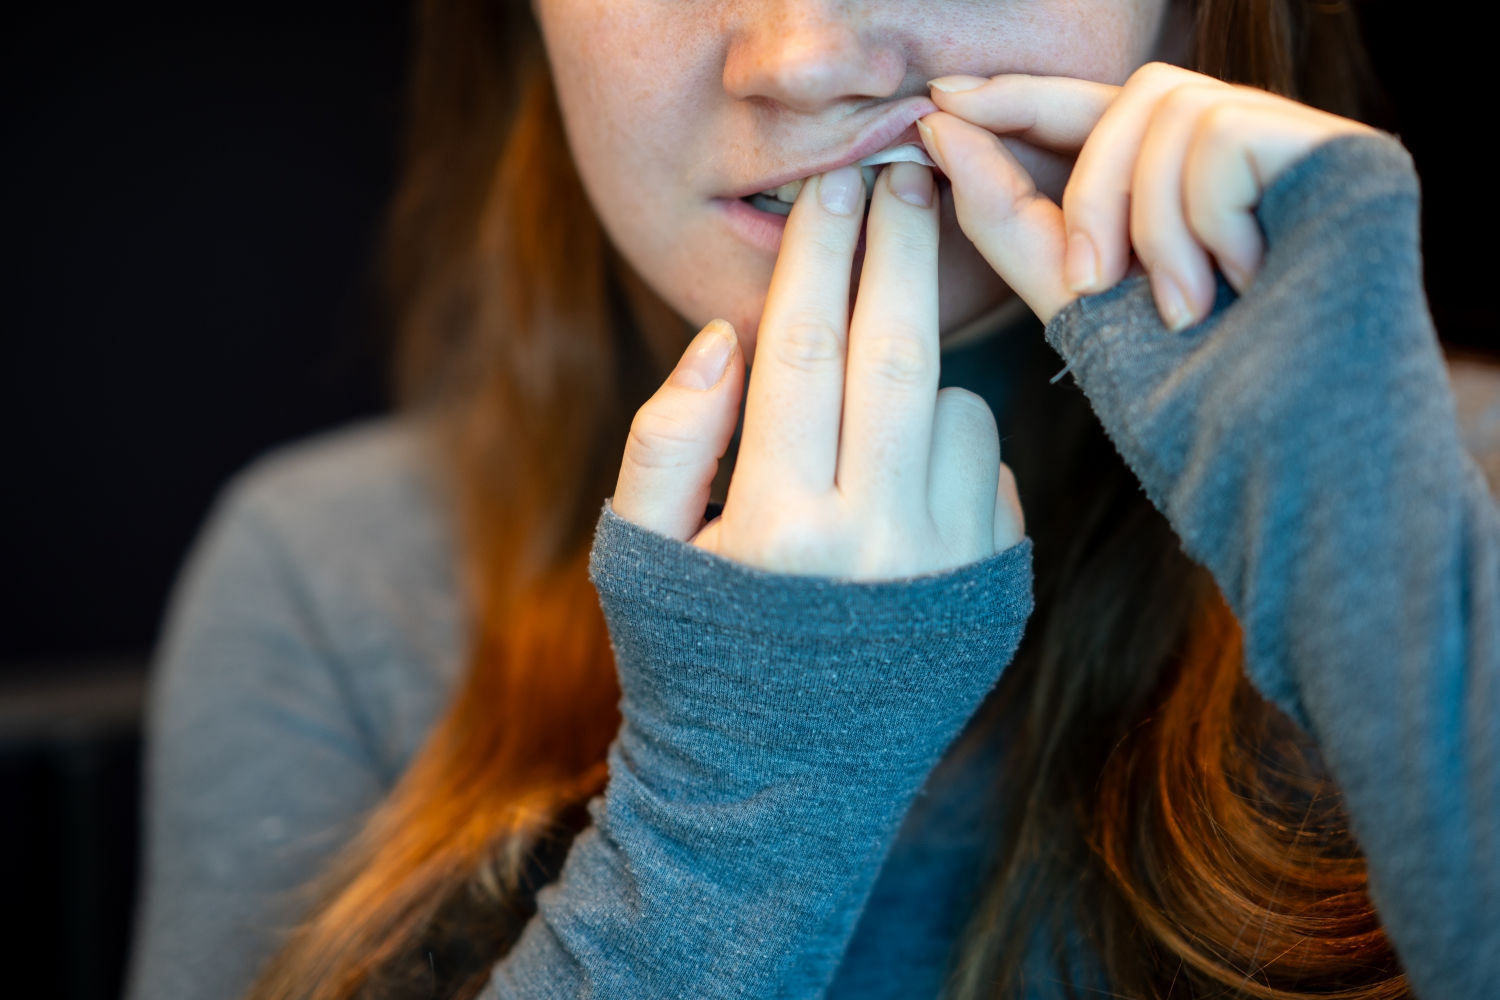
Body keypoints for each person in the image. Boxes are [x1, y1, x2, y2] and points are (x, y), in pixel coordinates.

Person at [123, 0, 1500, 997]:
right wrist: (739, 804)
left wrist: (1370, 550)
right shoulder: (327, 576)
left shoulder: (1465, 502)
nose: (803, 57)